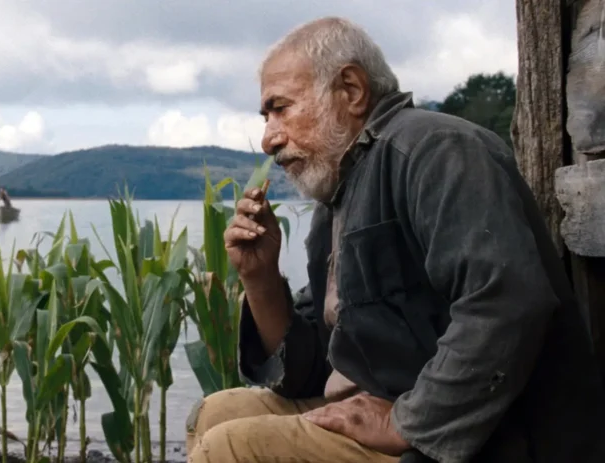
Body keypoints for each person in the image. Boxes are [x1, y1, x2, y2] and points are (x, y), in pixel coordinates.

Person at [185, 16, 605, 463]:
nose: (268, 139)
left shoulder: (435, 150)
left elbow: (508, 300)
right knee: (217, 412)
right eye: (266, 116)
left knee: (230, 447)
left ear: (351, 89)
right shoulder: (338, 197)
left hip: (486, 436)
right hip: (387, 406)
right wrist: (260, 279)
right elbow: (311, 369)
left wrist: (407, 421)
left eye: (281, 108)